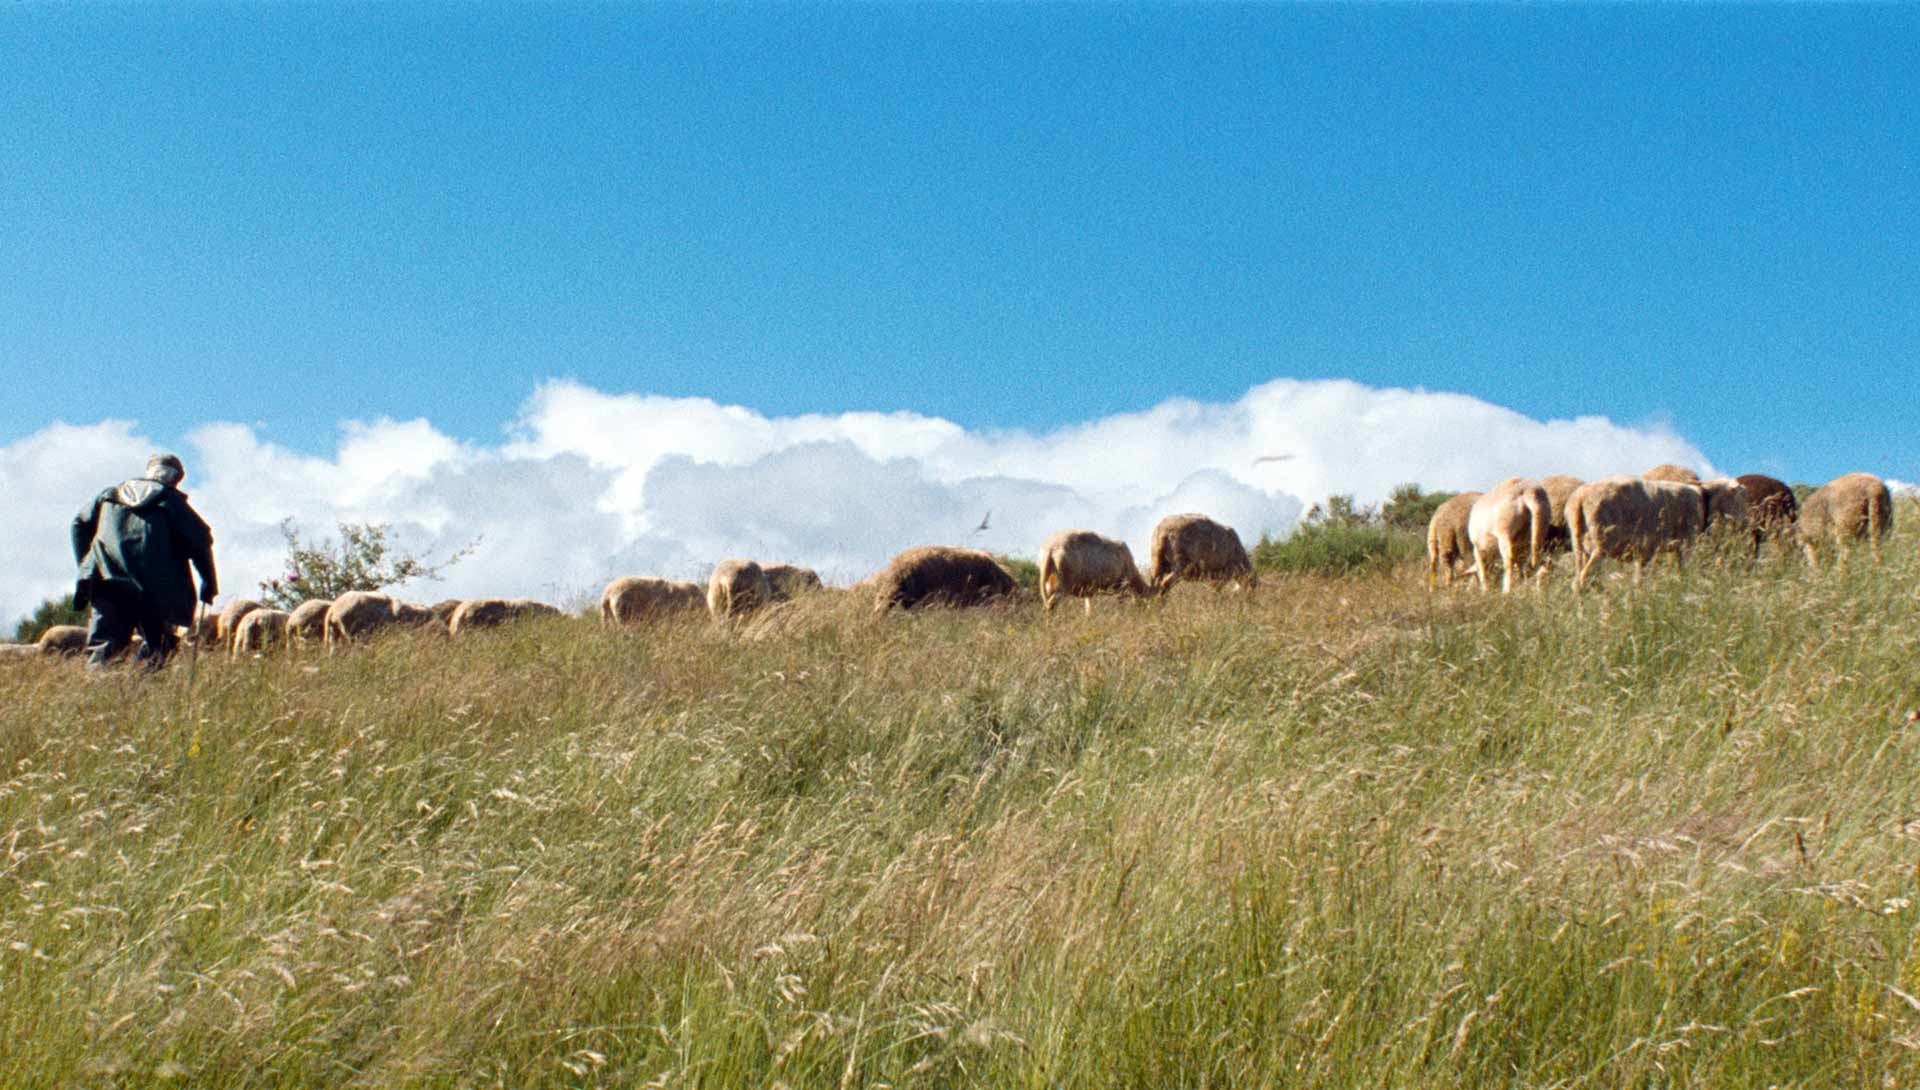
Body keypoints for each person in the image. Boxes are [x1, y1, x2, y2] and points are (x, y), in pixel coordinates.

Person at [71, 453, 218, 670]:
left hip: (106, 580)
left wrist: (87, 563)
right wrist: (208, 583)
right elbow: (201, 539)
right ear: (176, 478)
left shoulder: (109, 496)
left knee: (104, 646)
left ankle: (99, 694)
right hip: (154, 587)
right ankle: (143, 689)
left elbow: (78, 524)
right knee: (158, 644)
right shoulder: (171, 501)